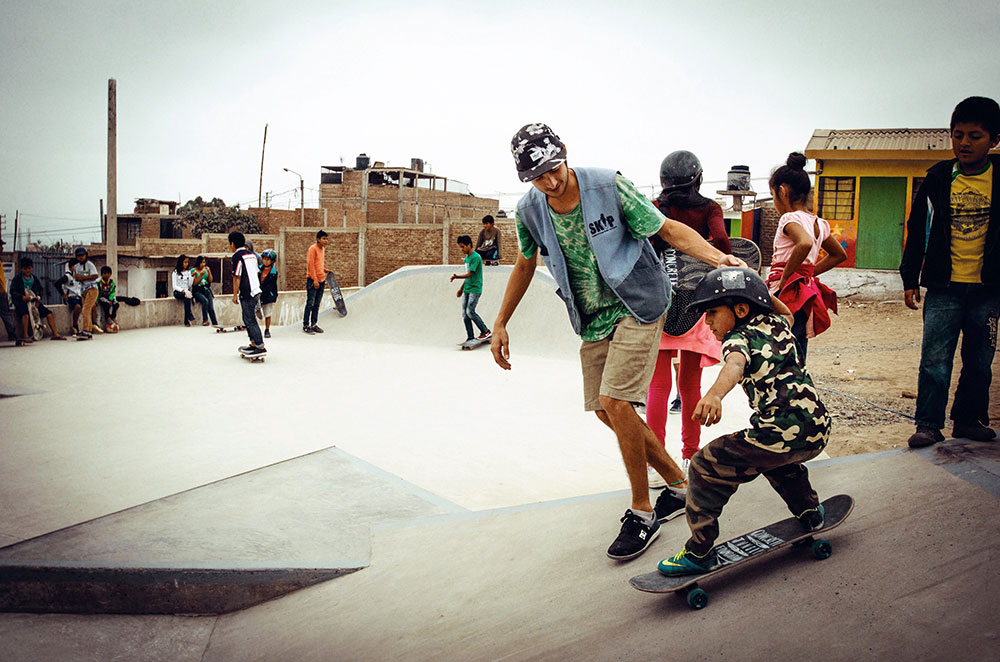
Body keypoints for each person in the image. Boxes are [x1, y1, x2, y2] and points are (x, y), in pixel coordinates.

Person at [492, 123, 744, 561]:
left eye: (554, 169)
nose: (550, 181)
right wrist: (499, 322)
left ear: (565, 153)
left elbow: (666, 229)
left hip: (640, 303)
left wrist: (717, 256)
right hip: (592, 317)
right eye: (538, 177)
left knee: (617, 399)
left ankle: (642, 511)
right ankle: (678, 482)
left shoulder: (608, 185)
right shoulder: (530, 208)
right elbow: (525, 263)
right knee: (605, 410)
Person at [656, 266, 828, 576]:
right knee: (777, 461)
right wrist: (754, 282)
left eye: (712, 313)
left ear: (741, 309)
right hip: (817, 428)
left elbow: (734, 366)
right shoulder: (779, 324)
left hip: (778, 433)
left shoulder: (737, 339)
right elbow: (786, 309)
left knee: (704, 466)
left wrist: (714, 395)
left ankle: (700, 551)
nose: (706, 322)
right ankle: (809, 511)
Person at [900, 96, 1000, 448]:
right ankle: (928, 424)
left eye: (975, 136)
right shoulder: (939, 178)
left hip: (988, 290)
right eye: (958, 135)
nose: (964, 143)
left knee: (980, 361)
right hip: (944, 287)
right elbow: (917, 227)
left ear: (994, 140)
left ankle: (968, 421)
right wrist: (910, 277)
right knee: (935, 361)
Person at [646, 151, 731, 483]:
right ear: (697, 177)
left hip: (659, 302)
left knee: (657, 386)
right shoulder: (710, 208)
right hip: (697, 302)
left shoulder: (655, 207)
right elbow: (722, 241)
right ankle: (690, 457)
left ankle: (655, 464)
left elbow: (646, 243)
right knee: (690, 383)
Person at [764, 152, 847, 361]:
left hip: (786, 292)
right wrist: (808, 273)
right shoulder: (818, 223)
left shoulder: (789, 219)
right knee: (799, 346)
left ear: (782, 192)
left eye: (773, 195)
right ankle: (799, 388)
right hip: (806, 291)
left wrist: (785, 279)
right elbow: (838, 254)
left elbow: (805, 243)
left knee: (779, 344)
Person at [9, 257, 67, 342]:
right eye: (25, 269)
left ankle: (55, 334)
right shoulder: (17, 279)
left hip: (33, 303)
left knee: (49, 313)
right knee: (25, 314)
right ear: (22, 269)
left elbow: (40, 289)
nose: (27, 271)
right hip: (22, 303)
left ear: (32, 268)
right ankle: (26, 336)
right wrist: (22, 297)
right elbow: (13, 291)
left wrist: (38, 298)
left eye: (29, 268)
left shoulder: (34, 278)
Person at [229, 231, 266, 356]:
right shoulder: (252, 255)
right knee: (248, 318)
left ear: (232, 244)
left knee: (250, 319)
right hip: (256, 290)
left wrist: (235, 295)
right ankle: (253, 343)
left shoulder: (237, 256)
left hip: (247, 291)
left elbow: (236, 277)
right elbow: (256, 272)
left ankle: (260, 346)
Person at [451, 235, 491, 343]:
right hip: (467, 288)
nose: (462, 249)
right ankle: (470, 336)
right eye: (460, 247)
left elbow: (470, 274)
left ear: (469, 245)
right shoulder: (467, 259)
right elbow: (468, 277)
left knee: (470, 311)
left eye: (463, 247)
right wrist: (461, 289)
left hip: (475, 288)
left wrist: (456, 277)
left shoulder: (476, 257)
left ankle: (486, 331)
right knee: (464, 313)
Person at [303, 230, 330, 334]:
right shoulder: (312, 249)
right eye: (324, 238)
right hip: (313, 280)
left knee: (317, 304)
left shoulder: (322, 249)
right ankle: (306, 325)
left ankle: (314, 324)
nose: (326, 241)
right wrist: (314, 280)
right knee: (310, 303)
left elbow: (318, 264)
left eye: (327, 238)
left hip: (321, 279)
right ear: (318, 239)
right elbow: (311, 266)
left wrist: (324, 270)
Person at [72, 246, 99, 338]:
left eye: (82, 255)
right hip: (83, 291)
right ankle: (88, 331)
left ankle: (86, 330)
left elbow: (95, 275)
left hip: (92, 289)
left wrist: (83, 277)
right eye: (79, 256)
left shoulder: (90, 265)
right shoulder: (76, 267)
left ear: (86, 255)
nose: (81, 257)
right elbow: (76, 278)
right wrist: (77, 278)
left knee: (85, 310)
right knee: (87, 310)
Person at [190, 255, 218, 327]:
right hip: (197, 290)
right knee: (205, 301)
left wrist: (209, 272)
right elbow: (194, 283)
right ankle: (205, 320)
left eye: (204, 262)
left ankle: (215, 323)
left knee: (211, 307)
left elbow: (210, 280)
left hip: (206, 289)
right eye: (202, 263)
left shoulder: (205, 269)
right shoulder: (194, 271)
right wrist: (200, 275)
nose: (203, 264)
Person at [58, 260, 83, 334]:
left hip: (78, 296)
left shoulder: (78, 276)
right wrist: (63, 294)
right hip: (70, 297)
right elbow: (57, 283)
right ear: (71, 267)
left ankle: (91, 325)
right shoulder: (67, 276)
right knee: (78, 307)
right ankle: (75, 325)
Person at [0, 239, 18, 344]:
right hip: (0, 292)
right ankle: (12, 334)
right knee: (6, 314)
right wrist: (2, 290)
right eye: (1, 246)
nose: (2, 248)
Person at [259, 249, 279, 338]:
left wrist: (272, 295)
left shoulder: (274, 273)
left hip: (268, 294)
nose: (265, 261)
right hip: (257, 293)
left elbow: (272, 285)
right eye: (264, 259)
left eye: (268, 259)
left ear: (272, 261)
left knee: (267, 313)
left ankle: (267, 329)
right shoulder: (258, 269)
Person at [172, 255, 196, 327]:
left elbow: (189, 285)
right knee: (187, 296)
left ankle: (186, 320)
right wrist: (182, 290)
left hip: (186, 291)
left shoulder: (188, 272)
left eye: (187, 262)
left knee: (187, 297)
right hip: (178, 291)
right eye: (184, 262)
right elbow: (174, 285)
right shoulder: (175, 272)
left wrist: (192, 277)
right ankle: (189, 315)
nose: (186, 264)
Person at [96, 266, 120, 332]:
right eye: (105, 273)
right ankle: (108, 317)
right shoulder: (98, 282)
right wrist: (96, 300)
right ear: (102, 274)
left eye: (108, 273)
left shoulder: (112, 283)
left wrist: (110, 299)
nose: (107, 275)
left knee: (116, 304)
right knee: (106, 304)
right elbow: (96, 292)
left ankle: (113, 316)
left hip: (109, 297)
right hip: (101, 296)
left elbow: (113, 292)